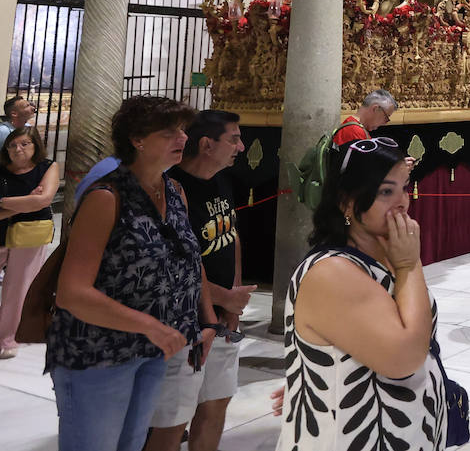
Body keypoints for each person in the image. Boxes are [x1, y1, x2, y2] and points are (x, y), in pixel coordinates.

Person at [47, 95, 217, 451]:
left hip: (152, 351)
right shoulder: (107, 197)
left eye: (183, 130)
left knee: (132, 444)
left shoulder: (174, 191)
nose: (183, 139)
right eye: (170, 132)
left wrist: (204, 318)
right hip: (99, 353)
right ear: (137, 140)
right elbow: (73, 292)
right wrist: (151, 325)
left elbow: (187, 261)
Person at [278, 136, 446, 451]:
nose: (402, 202)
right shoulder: (332, 273)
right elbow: (405, 357)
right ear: (347, 202)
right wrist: (410, 265)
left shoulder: (383, 253)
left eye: (403, 187)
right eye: (385, 191)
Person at [146, 110, 255, 451]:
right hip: (184, 318)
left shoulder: (223, 179)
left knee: (216, 402)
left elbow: (229, 235)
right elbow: (175, 261)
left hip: (223, 314)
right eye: (233, 138)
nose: (241, 146)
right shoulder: (172, 188)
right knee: (171, 418)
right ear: (207, 144)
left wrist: (233, 298)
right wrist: (222, 298)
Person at [0, 126, 58, 357]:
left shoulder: (48, 167)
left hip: (30, 233)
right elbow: (34, 202)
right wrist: (26, 201)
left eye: (24, 144)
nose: (18, 149)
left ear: (36, 146)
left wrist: (4, 202)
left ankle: (6, 340)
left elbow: (43, 200)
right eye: (13, 145)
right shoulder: (2, 170)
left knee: (18, 288)